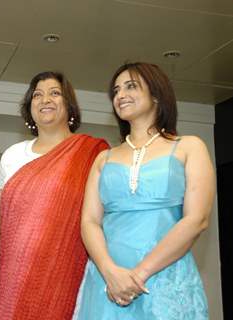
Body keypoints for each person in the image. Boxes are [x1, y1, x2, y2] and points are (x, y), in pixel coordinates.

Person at [73, 62, 215, 319]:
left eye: (131, 86)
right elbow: (89, 221)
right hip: (108, 281)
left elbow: (197, 219)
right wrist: (110, 272)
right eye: (116, 91)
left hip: (165, 278)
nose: (120, 96)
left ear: (156, 94)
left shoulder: (190, 147)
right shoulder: (103, 159)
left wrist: (138, 275)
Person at [0, 71, 109, 319]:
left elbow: (102, 218)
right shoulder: (13, 155)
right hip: (14, 274)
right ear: (29, 107)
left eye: (54, 93)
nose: (45, 99)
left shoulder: (92, 154)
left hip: (68, 273)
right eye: (37, 95)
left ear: (69, 104)